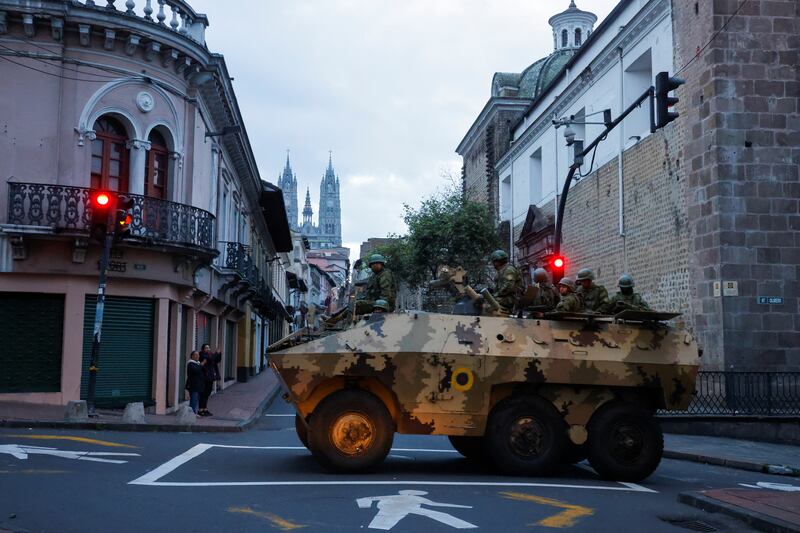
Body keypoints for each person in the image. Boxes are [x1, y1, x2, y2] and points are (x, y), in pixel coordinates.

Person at [198, 343, 220, 417]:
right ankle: (201, 410)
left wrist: (219, 354)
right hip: (204, 378)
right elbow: (210, 359)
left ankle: (205, 409)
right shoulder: (201, 355)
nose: (208, 349)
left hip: (210, 377)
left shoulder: (210, 354)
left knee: (207, 393)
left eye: (209, 348)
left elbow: (216, 360)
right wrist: (216, 353)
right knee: (203, 394)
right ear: (203, 349)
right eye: (206, 348)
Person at [185, 350, 204, 415]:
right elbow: (196, 371)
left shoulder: (197, 363)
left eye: (198, 355)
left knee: (196, 400)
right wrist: (201, 365)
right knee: (193, 400)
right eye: (196, 355)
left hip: (198, 386)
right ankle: (192, 414)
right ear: (192, 356)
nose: (197, 356)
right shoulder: (191, 364)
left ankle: (194, 413)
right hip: (193, 385)